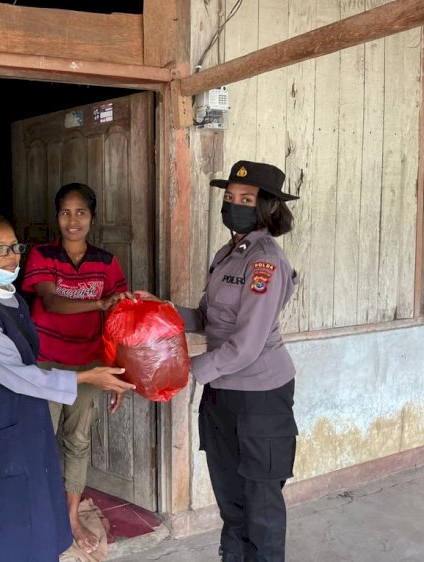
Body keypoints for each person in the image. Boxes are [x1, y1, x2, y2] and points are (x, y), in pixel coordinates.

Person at [0, 213, 135, 562]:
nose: (12, 256)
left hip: (26, 424)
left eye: (15, 247)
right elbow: (18, 374)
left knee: (37, 513)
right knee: (3, 521)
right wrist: (85, 378)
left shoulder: (13, 299)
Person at [141, 160, 299, 562]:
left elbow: (246, 346)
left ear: (268, 207)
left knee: (261, 505)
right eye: (230, 197)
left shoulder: (265, 262)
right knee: (230, 500)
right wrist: (161, 310)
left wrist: (182, 373)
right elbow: (209, 319)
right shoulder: (229, 252)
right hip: (222, 393)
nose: (235, 205)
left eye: (246, 199)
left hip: (260, 397)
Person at [21, 182, 133, 553]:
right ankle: (41, 515)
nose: (73, 220)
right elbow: (51, 303)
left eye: (81, 212)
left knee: (78, 441)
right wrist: (100, 304)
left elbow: (118, 317)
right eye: (66, 212)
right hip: (47, 363)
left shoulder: (106, 262)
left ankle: (69, 518)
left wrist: (117, 371)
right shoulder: (42, 255)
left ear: (92, 217)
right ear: (57, 217)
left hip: (89, 362)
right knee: (41, 442)